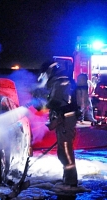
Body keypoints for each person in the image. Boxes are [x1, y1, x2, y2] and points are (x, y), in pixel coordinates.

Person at [31, 60, 89, 192]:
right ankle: (67, 178)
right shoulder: (59, 81)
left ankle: (71, 182)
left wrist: (41, 103)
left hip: (65, 119)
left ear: (49, 71)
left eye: (44, 74)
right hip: (64, 118)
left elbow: (55, 101)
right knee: (62, 150)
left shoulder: (61, 81)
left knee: (65, 150)